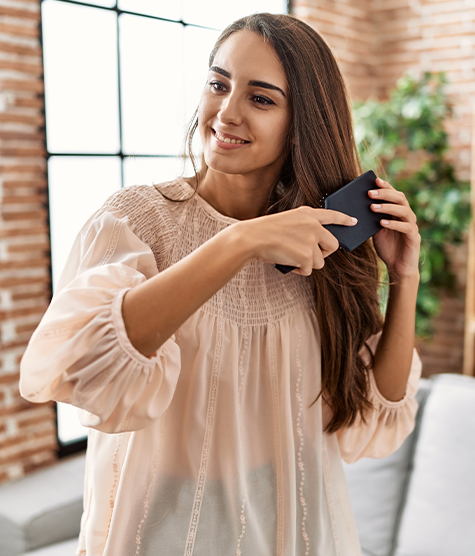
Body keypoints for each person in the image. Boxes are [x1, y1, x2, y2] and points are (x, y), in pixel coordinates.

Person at [20, 12, 422, 556]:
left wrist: (404, 277)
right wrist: (240, 242)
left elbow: (374, 411)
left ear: (303, 122)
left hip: (298, 527)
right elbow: (84, 367)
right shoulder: (137, 220)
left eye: (261, 98)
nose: (226, 112)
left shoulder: (318, 243)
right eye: (218, 83)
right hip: (161, 528)